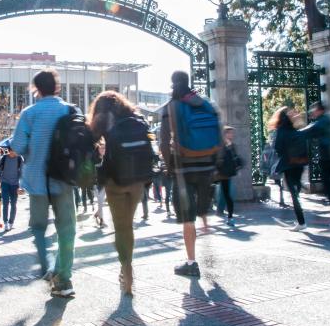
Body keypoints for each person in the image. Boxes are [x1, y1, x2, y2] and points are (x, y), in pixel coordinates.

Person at [11, 69, 77, 298]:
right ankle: (64, 277)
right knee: (67, 229)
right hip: (65, 179)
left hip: (37, 181)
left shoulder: (30, 113)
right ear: (57, 86)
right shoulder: (71, 110)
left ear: (36, 88)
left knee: (39, 228)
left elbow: (17, 147)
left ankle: (47, 265)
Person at [89, 90, 153, 295]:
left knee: (120, 226)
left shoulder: (105, 121)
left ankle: (126, 270)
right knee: (129, 226)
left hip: (115, 180)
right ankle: (127, 268)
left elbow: (90, 143)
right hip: (137, 180)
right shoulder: (137, 118)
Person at [159, 70, 219, 277]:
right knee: (201, 208)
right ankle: (205, 222)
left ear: (172, 84)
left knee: (187, 217)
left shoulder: (171, 107)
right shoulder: (206, 103)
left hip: (183, 168)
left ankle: (191, 262)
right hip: (206, 166)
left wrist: (168, 166)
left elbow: (163, 142)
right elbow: (218, 132)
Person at [301, 102, 330, 225]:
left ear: (319, 110)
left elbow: (309, 130)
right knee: (328, 186)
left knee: (328, 187)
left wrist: (295, 133)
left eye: (313, 110)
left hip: (327, 159)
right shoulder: (328, 120)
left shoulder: (322, 121)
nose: (312, 113)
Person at [270, 106, 308, 232]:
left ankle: (301, 222)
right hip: (299, 164)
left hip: (288, 165)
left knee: (293, 195)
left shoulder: (281, 131)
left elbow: (277, 148)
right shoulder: (295, 130)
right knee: (295, 191)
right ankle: (299, 185)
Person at [216, 126, 241, 225]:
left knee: (227, 194)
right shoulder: (219, 145)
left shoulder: (232, 145)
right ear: (224, 134)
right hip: (217, 173)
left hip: (226, 174)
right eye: (229, 133)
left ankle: (229, 216)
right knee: (222, 193)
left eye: (232, 133)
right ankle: (218, 210)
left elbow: (235, 158)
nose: (231, 135)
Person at [0, 144, 23, 230]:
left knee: (13, 204)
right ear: (9, 151)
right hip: (5, 183)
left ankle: (11, 222)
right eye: (13, 152)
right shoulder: (4, 158)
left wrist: (21, 187)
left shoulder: (19, 158)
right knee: (5, 203)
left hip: (15, 185)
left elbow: (23, 173)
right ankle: (5, 222)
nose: (14, 154)